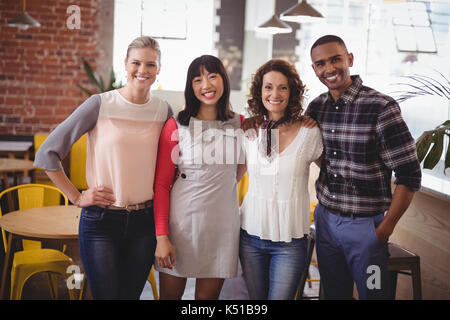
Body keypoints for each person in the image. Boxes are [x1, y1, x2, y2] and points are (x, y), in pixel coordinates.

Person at [34, 36, 173, 300]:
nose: (142, 70)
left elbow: (171, 166)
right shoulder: (100, 104)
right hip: (101, 222)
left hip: (144, 224)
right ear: (125, 64)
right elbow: (47, 153)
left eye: (150, 64)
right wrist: (77, 196)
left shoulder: (163, 111)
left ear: (158, 69)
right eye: (136, 62)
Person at [306, 35, 422, 300]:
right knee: (334, 295)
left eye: (335, 59)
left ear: (349, 59)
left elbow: (410, 175)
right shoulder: (317, 107)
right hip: (325, 222)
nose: (329, 68)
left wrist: (383, 231)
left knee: (375, 294)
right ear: (315, 70)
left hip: (366, 230)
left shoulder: (381, 107)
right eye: (321, 63)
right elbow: (312, 149)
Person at [153, 55, 245, 300]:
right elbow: (161, 185)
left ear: (223, 80)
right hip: (180, 225)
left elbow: (238, 171)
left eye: (212, 76)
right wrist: (161, 236)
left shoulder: (241, 124)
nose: (206, 85)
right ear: (190, 86)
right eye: (198, 79)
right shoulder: (176, 126)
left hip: (222, 228)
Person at [239, 59, 323, 300]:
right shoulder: (249, 131)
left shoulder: (309, 132)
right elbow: (231, 178)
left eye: (282, 87)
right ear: (259, 91)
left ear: (292, 92)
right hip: (250, 237)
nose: (274, 94)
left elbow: (332, 171)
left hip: (291, 240)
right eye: (268, 87)